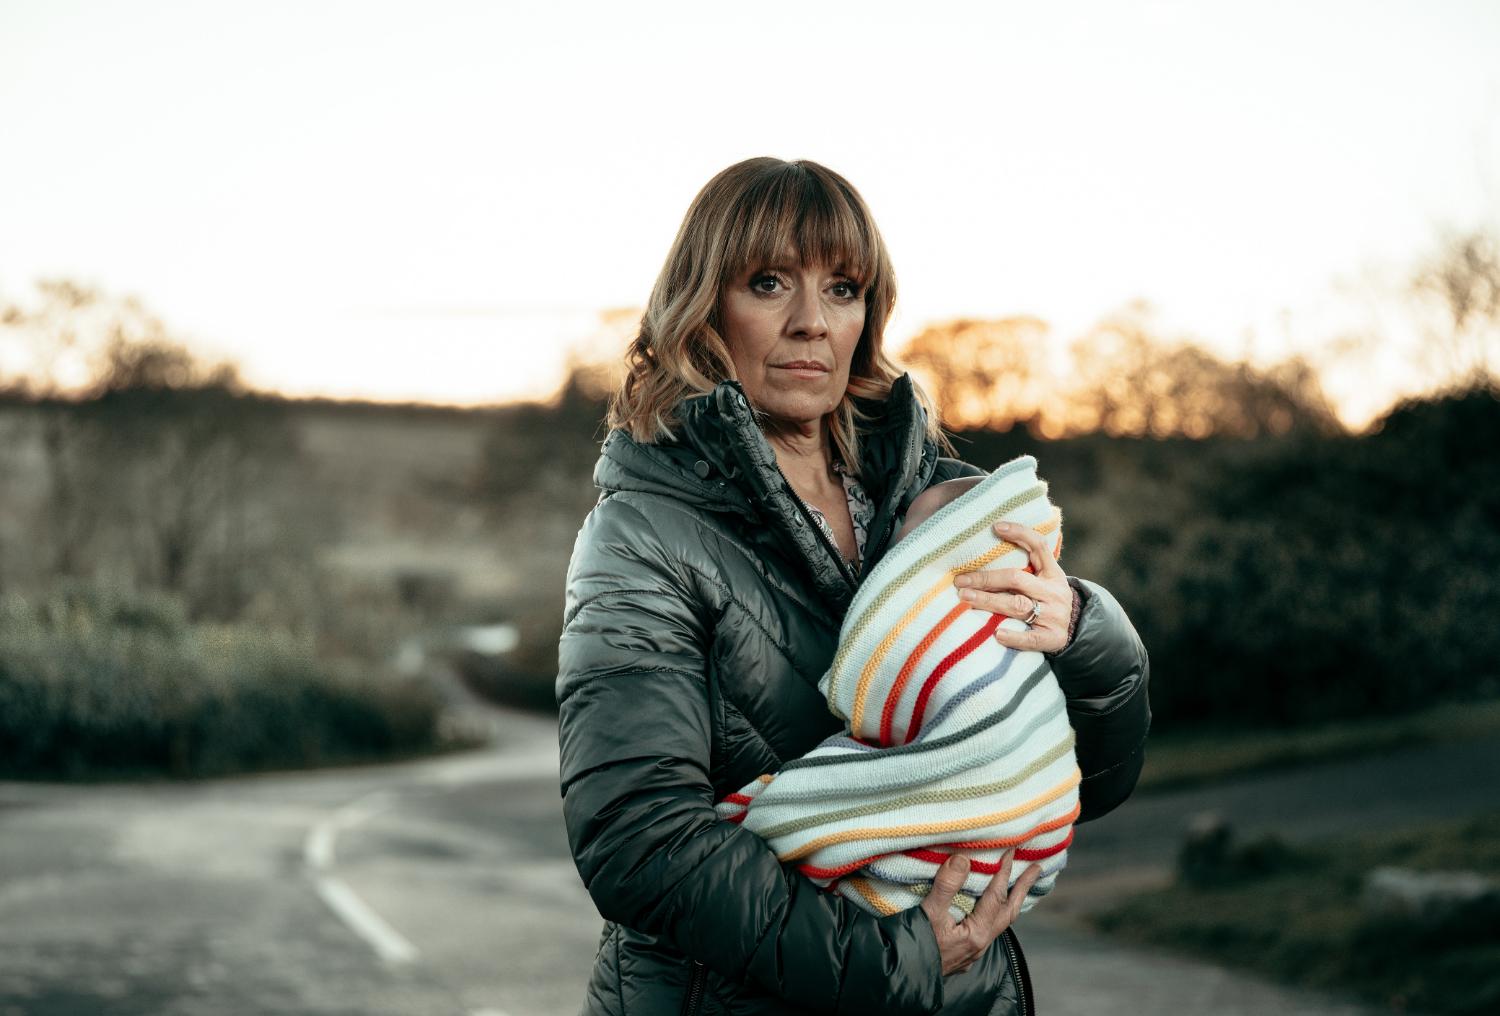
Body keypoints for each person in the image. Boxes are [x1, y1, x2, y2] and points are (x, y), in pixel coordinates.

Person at [557, 156, 1151, 1016]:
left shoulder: (939, 503)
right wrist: (889, 960)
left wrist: (1088, 636)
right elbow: (636, 839)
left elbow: (1075, 785)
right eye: (768, 284)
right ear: (703, 305)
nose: (811, 323)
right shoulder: (642, 537)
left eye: (842, 289)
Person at [715, 463, 1081, 924]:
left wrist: (1081, 625)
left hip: (999, 855)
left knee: (797, 814)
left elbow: (1100, 755)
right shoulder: (651, 533)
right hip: (829, 934)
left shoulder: (1016, 622)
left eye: (909, 539)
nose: (894, 549)